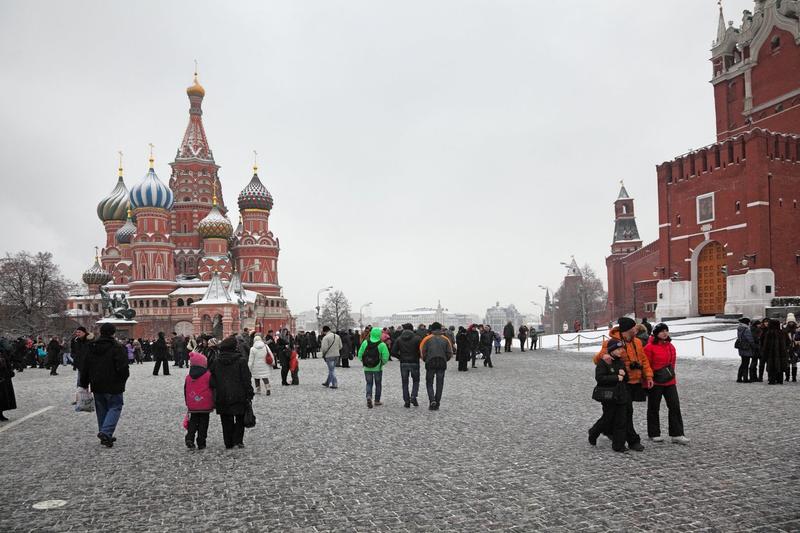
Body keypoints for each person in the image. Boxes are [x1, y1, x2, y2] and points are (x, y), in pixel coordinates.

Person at [593, 317, 653, 452]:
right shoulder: (612, 343)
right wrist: (604, 357)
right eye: (633, 328)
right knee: (626, 412)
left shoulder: (637, 342)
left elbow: (643, 360)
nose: (636, 330)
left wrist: (648, 376)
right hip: (620, 384)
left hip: (635, 382)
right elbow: (597, 359)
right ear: (627, 330)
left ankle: (604, 431)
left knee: (618, 414)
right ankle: (632, 440)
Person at [79, 323, 130, 448]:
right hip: (114, 383)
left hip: (97, 383)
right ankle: (106, 432)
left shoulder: (92, 346)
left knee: (101, 409)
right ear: (113, 333)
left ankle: (105, 433)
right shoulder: (117, 347)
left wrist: (84, 383)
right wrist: (123, 379)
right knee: (115, 407)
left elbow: (85, 366)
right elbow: (123, 367)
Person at [643, 323, 689, 445]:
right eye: (662, 331)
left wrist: (669, 375)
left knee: (674, 406)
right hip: (655, 381)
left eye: (666, 331)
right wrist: (649, 378)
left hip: (669, 381)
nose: (664, 333)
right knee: (653, 408)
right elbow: (646, 364)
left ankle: (677, 434)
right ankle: (654, 433)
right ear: (656, 333)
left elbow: (672, 364)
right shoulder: (649, 347)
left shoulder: (671, 346)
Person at [210, 336, 254, 449]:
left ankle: (228, 442)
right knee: (240, 418)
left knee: (225, 420)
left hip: (222, 395)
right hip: (239, 394)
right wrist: (249, 392)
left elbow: (212, 380)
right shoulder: (241, 361)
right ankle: (238, 441)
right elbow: (246, 378)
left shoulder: (216, 361)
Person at [587, 339, 631, 452]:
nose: (621, 351)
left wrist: (624, 375)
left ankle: (619, 445)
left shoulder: (620, 361)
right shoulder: (604, 362)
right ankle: (594, 432)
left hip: (621, 395)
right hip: (608, 396)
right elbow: (600, 378)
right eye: (618, 349)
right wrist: (616, 377)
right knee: (608, 418)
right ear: (612, 350)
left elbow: (626, 379)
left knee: (621, 420)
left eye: (621, 349)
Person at [420, 322, 453, 411]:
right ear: (440, 329)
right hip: (442, 362)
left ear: (432, 329)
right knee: (440, 383)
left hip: (430, 362)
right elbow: (450, 353)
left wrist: (425, 359)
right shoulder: (446, 339)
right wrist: (445, 359)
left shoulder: (426, 339)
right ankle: (437, 402)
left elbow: (422, 352)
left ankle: (432, 400)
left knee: (429, 382)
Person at [184, 352, 213, 449]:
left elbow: (185, 390)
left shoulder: (188, 377)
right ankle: (201, 441)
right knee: (204, 423)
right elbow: (213, 387)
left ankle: (190, 437)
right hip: (205, 404)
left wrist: (188, 402)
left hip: (193, 404)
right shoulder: (208, 375)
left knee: (193, 421)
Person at [357, 326, 390, 408]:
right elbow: (386, 356)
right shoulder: (381, 344)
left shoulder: (365, 342)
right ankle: (377, 400)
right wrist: (382, 363)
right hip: (378, 368)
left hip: (367, 368)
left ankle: (368, 397)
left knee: (369, 383)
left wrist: (363, 362)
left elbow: (360, 354)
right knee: (378, 384)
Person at [391, 323, 422, 408]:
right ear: (412, 329)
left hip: (403, 362)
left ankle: (407, 401)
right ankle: (413, 396)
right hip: (414, 362)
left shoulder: (399, 339)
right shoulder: (417, 338)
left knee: (405, 382)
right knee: (416, 381)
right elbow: (422, 350)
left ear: (404, 330)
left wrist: (400, 357)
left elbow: (393, 352)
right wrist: (418, 356)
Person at [762, 319, 787, 385]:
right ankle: (780, 380)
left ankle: (772, 380)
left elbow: (766, 344)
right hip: (781, 353)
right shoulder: (782, 332)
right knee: (780, 365)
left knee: (771, 366)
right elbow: (787, 342)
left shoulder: (769, 333)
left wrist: (764, 353)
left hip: (771, 353)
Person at [0, 337, 17, 421]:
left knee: (3, 396)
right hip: (2, 376)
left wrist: (9, 371)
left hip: (4, 375)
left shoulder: (3, 351)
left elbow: (7, 360)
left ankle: (0, 413)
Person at [736, 318, 756, 383]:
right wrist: (753, 346)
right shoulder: (746, 329)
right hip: (747, 348)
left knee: (743, 363)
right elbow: (750, 339)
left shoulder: (739, 328)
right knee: (746, 363)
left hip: (741, 347)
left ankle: (739, 377)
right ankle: (745, 378)